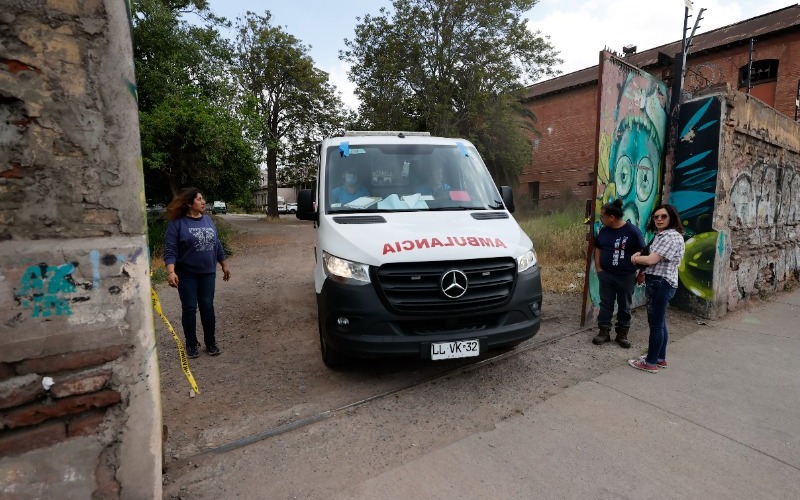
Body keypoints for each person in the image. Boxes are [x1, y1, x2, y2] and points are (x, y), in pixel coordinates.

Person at [163, 187, 231, 358]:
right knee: (190, 308)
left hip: (208, 272)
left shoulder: (208, 220)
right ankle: (191, 344)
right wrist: (171, 271)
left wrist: (223, 264)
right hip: (187, 274)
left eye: (203, 199)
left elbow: (217, 244)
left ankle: (210, 342)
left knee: (208, 307)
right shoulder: (177, 223)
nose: (203, 202)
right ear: (189, 203)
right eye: (199, 199)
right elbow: (170, 249)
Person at [628, 204, 686, 373]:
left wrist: (636, 258)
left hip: (660, 283)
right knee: (660, 322)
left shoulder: (669, 237)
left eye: (663, 216)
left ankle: (650, 362)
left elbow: (652, 260)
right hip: (662, 282)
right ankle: (659, 358)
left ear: (672, 218)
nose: (659, 219)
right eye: (656, 217)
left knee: (655, 324)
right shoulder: (664, 235)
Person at [592, 199, 646, 348]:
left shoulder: (632, 232)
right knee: (606, 304)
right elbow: (598, 248)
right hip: (606, 274)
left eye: (602, 216)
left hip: (626, 276)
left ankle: (622, 334)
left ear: (611, 217)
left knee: (625, 305)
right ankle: (603, 332)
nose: (600, 219)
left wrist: (642, 272)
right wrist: (599, 268)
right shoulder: (604, 231)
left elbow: (644, 251)